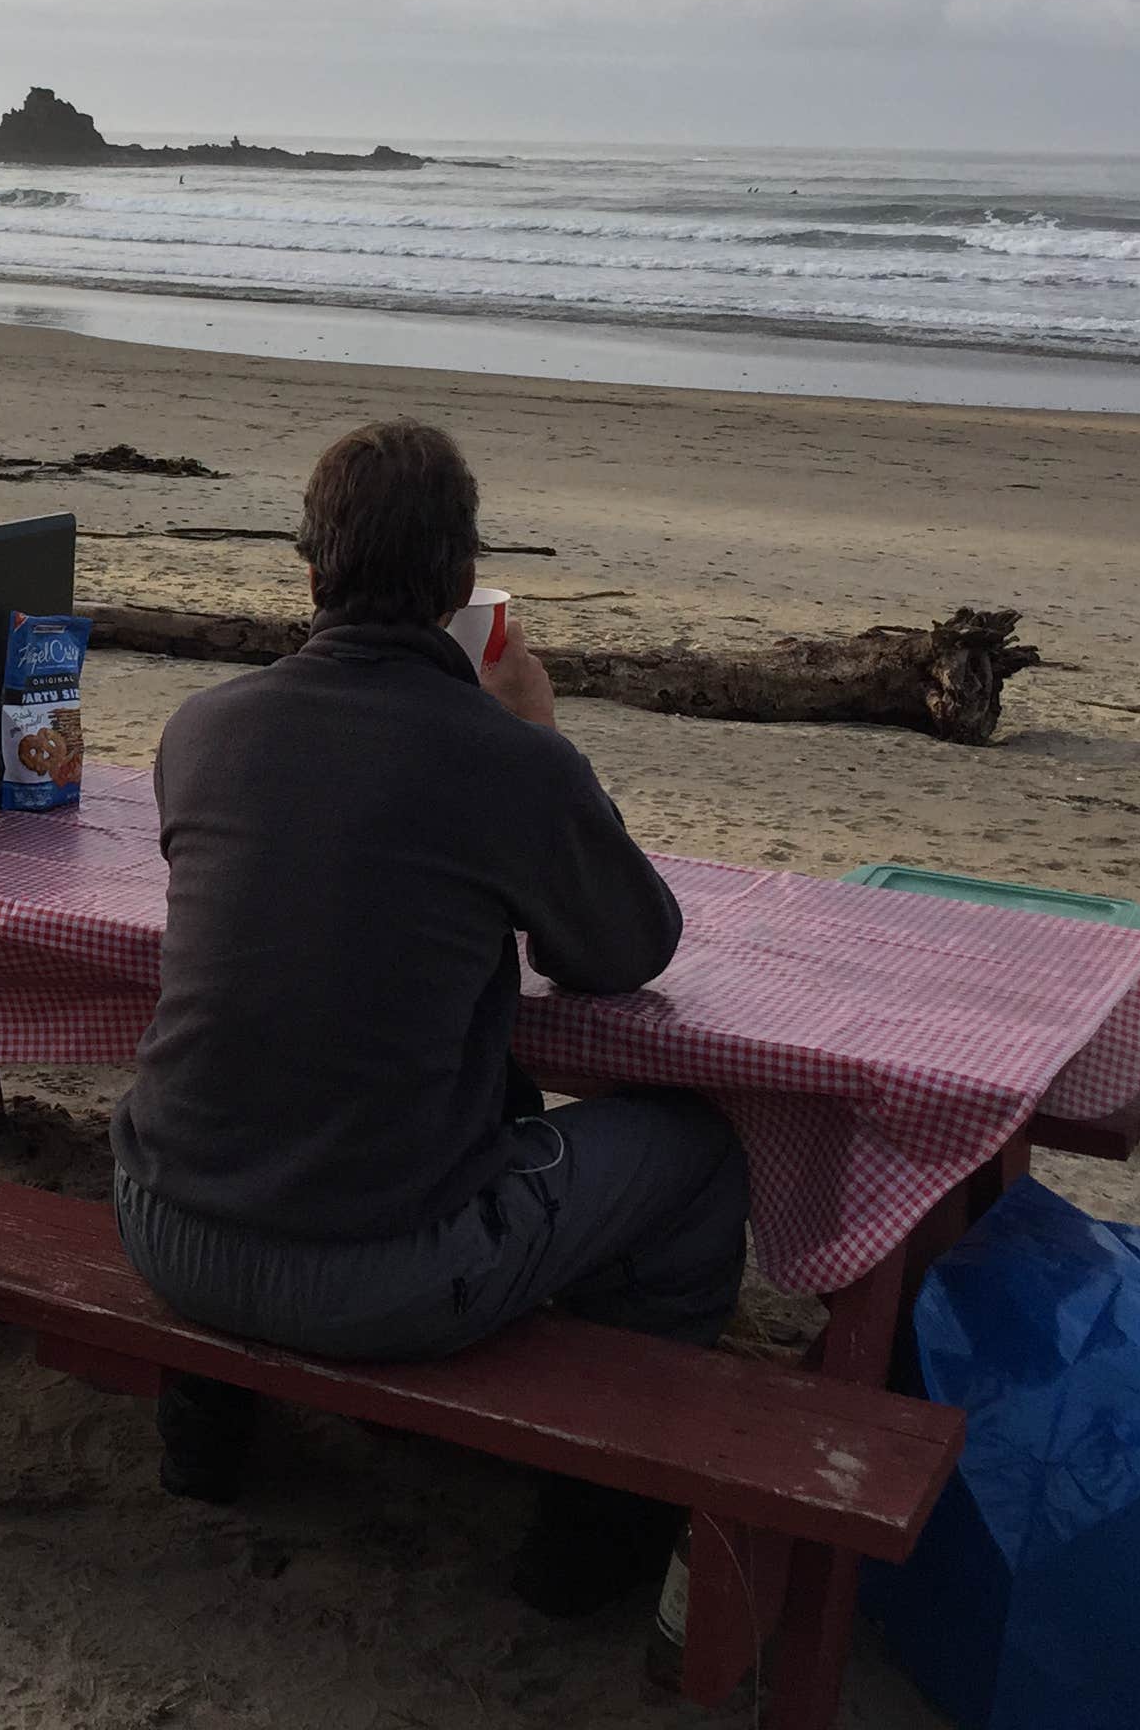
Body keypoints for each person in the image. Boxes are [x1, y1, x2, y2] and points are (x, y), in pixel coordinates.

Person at [109, 416, 748, 1617]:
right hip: (376, 1278)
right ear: (464, 588)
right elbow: (626, 950)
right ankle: (593, 1541)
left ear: (310, 575)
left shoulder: (204, 731)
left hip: (163, 1226)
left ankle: (206, 1448)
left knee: (273, 1084)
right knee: (699, 1156)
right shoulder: (503, 760)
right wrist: (541, 739)